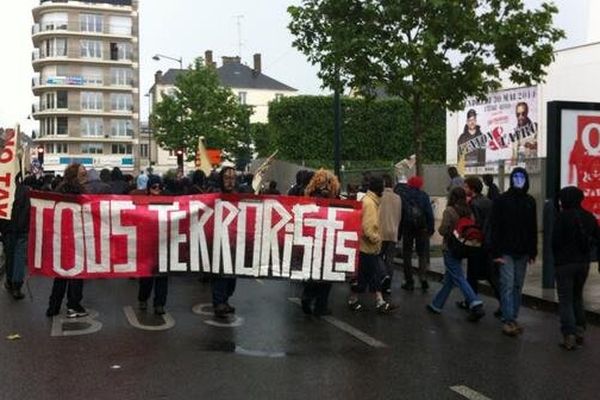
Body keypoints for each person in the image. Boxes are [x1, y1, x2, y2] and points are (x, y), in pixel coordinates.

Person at [490, 167, 537, 337]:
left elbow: (532, 227)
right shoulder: (502, 200)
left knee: (517, 285)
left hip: (522, 251)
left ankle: (512, 317)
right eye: (515, 176)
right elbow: (495, 227)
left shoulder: (530, 201)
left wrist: (533, 251)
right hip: (506, 251)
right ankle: (508, 319)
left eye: (521, 176)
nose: (518, 179)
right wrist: (496, 253)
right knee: (508, 284)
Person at [427, 186, 485, 321]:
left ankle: (475, 302)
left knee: (458, 276)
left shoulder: (449, 211)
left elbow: (442, 230)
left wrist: (445, 228)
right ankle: (436, 304)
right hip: (463, 247)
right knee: (449, 279)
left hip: (450, 247)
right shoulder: (468, 211)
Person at [552, 186, 599, 350]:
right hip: (583, 264)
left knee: (565, 300)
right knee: (577, 296)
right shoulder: (589, 217)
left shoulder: (561, 217)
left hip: (564, 264)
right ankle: (580, 329)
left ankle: (569, 334)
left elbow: (555, 242)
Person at [46, 163, 88, 318]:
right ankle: (74, 305)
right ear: (75, 175)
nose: (86, 177)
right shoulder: (79, 191)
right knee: (76, 273)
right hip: (75, 236)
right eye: (83, 174)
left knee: (61, 273)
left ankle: (53, 306)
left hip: (61, 237)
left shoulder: (60, 188)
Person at [347, 176, 394, 313]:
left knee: (373, 276)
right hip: (367, 247)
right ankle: (353, 299)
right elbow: (368, 228)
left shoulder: (370, 201)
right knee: (364, 277)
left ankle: (380, 301)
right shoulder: (370, 204)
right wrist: (377, 238)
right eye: (383, 187)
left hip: (367, 247)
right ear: (378, 188)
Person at [456, 177, 500, 312]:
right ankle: (503, 303)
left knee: (472, 275)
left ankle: (471, 301)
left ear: (472, 188)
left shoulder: (473, 204)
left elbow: (474, 225)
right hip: (489, 242)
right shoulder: (488, 201)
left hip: (477, 243)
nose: (464, 189)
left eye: (466, 186)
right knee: (491, 276)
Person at [300, 169, 340, 316]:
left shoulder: (308, 196)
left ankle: (308, 295)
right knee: (326, 275)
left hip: (310, 239)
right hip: (326, 240)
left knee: (312, 270)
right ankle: (320, 305)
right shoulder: (332, 199)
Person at [137, 175, 169, 315]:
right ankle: (143, 298)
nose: (157, 190)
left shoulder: (167, 202)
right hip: (147, 245)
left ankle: (159, 304)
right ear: (149, 188)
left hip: (163, 244)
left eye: (160, 187)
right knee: (147, 277)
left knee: (162, 277)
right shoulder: (142, 203)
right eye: (154, 187)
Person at [397, 176, 434, 291]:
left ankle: (409, 281)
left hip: (407, 228)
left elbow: (401, 214)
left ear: (409, 184)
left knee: (407, 254)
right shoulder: (424, 196)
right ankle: (423, 278)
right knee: (422, 254)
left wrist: (399, 231)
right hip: (421, 228)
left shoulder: (403, 196)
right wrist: (430, 229)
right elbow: (429, 213)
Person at [0, 174, 33, 300]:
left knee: (10, 255)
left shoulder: (3, 192)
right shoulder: (25, 190)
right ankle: (17, 286)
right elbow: (29, 211)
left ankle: (9, 280)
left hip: (7, 230)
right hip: (22, 229)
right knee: (19, 256)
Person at [212, 166, 239, 318]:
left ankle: (225, 300)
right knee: (220, 275)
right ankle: (218, 303)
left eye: (233, 178)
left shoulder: (238, 196)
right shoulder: (215, 195)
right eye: (227, 178)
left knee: (231, 277)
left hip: (234, 241)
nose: (230, 181)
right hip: (219, 240)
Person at [379, 174, 402, 295]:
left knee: (377, 257)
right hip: (393, 231)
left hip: (381, 231)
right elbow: (399, 216)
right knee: (390, 259)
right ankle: (388, 286)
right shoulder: (398, 198)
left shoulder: (380, 197)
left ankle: (383, 277)